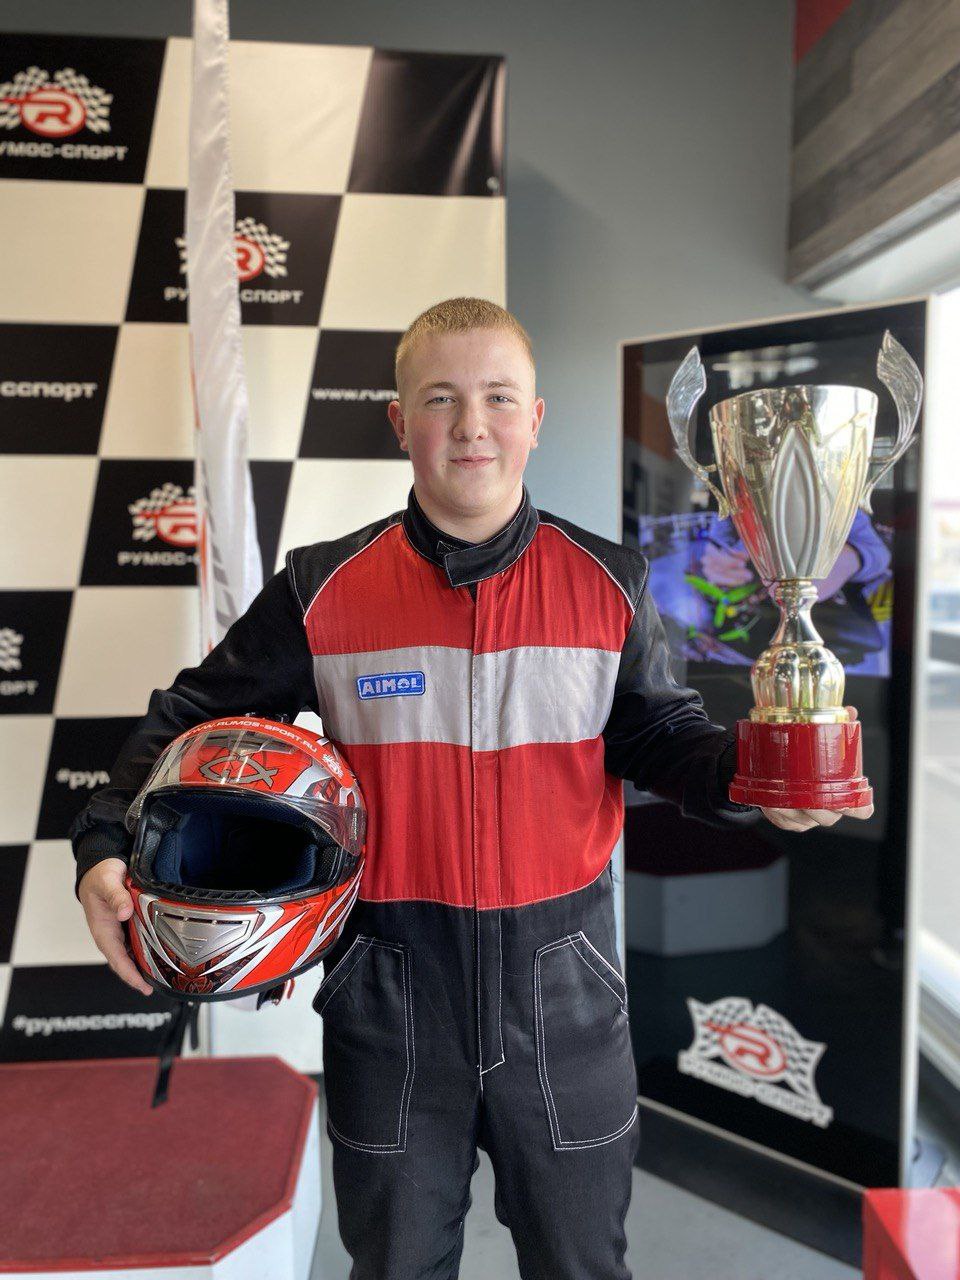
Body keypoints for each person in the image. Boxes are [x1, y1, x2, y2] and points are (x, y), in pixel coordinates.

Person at [72, 297, 874, 1280]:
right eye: (440, 398)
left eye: (498, 397)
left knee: (581, 1266)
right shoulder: (320, 588)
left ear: (534, 419)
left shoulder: (609, 582)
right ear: (399, 421)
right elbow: (191, 716)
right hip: (389, 996)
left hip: (564, 991)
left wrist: (759, 776)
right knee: (396, 1266)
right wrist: (103, 842)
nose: (471, 425)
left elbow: (663, 740)